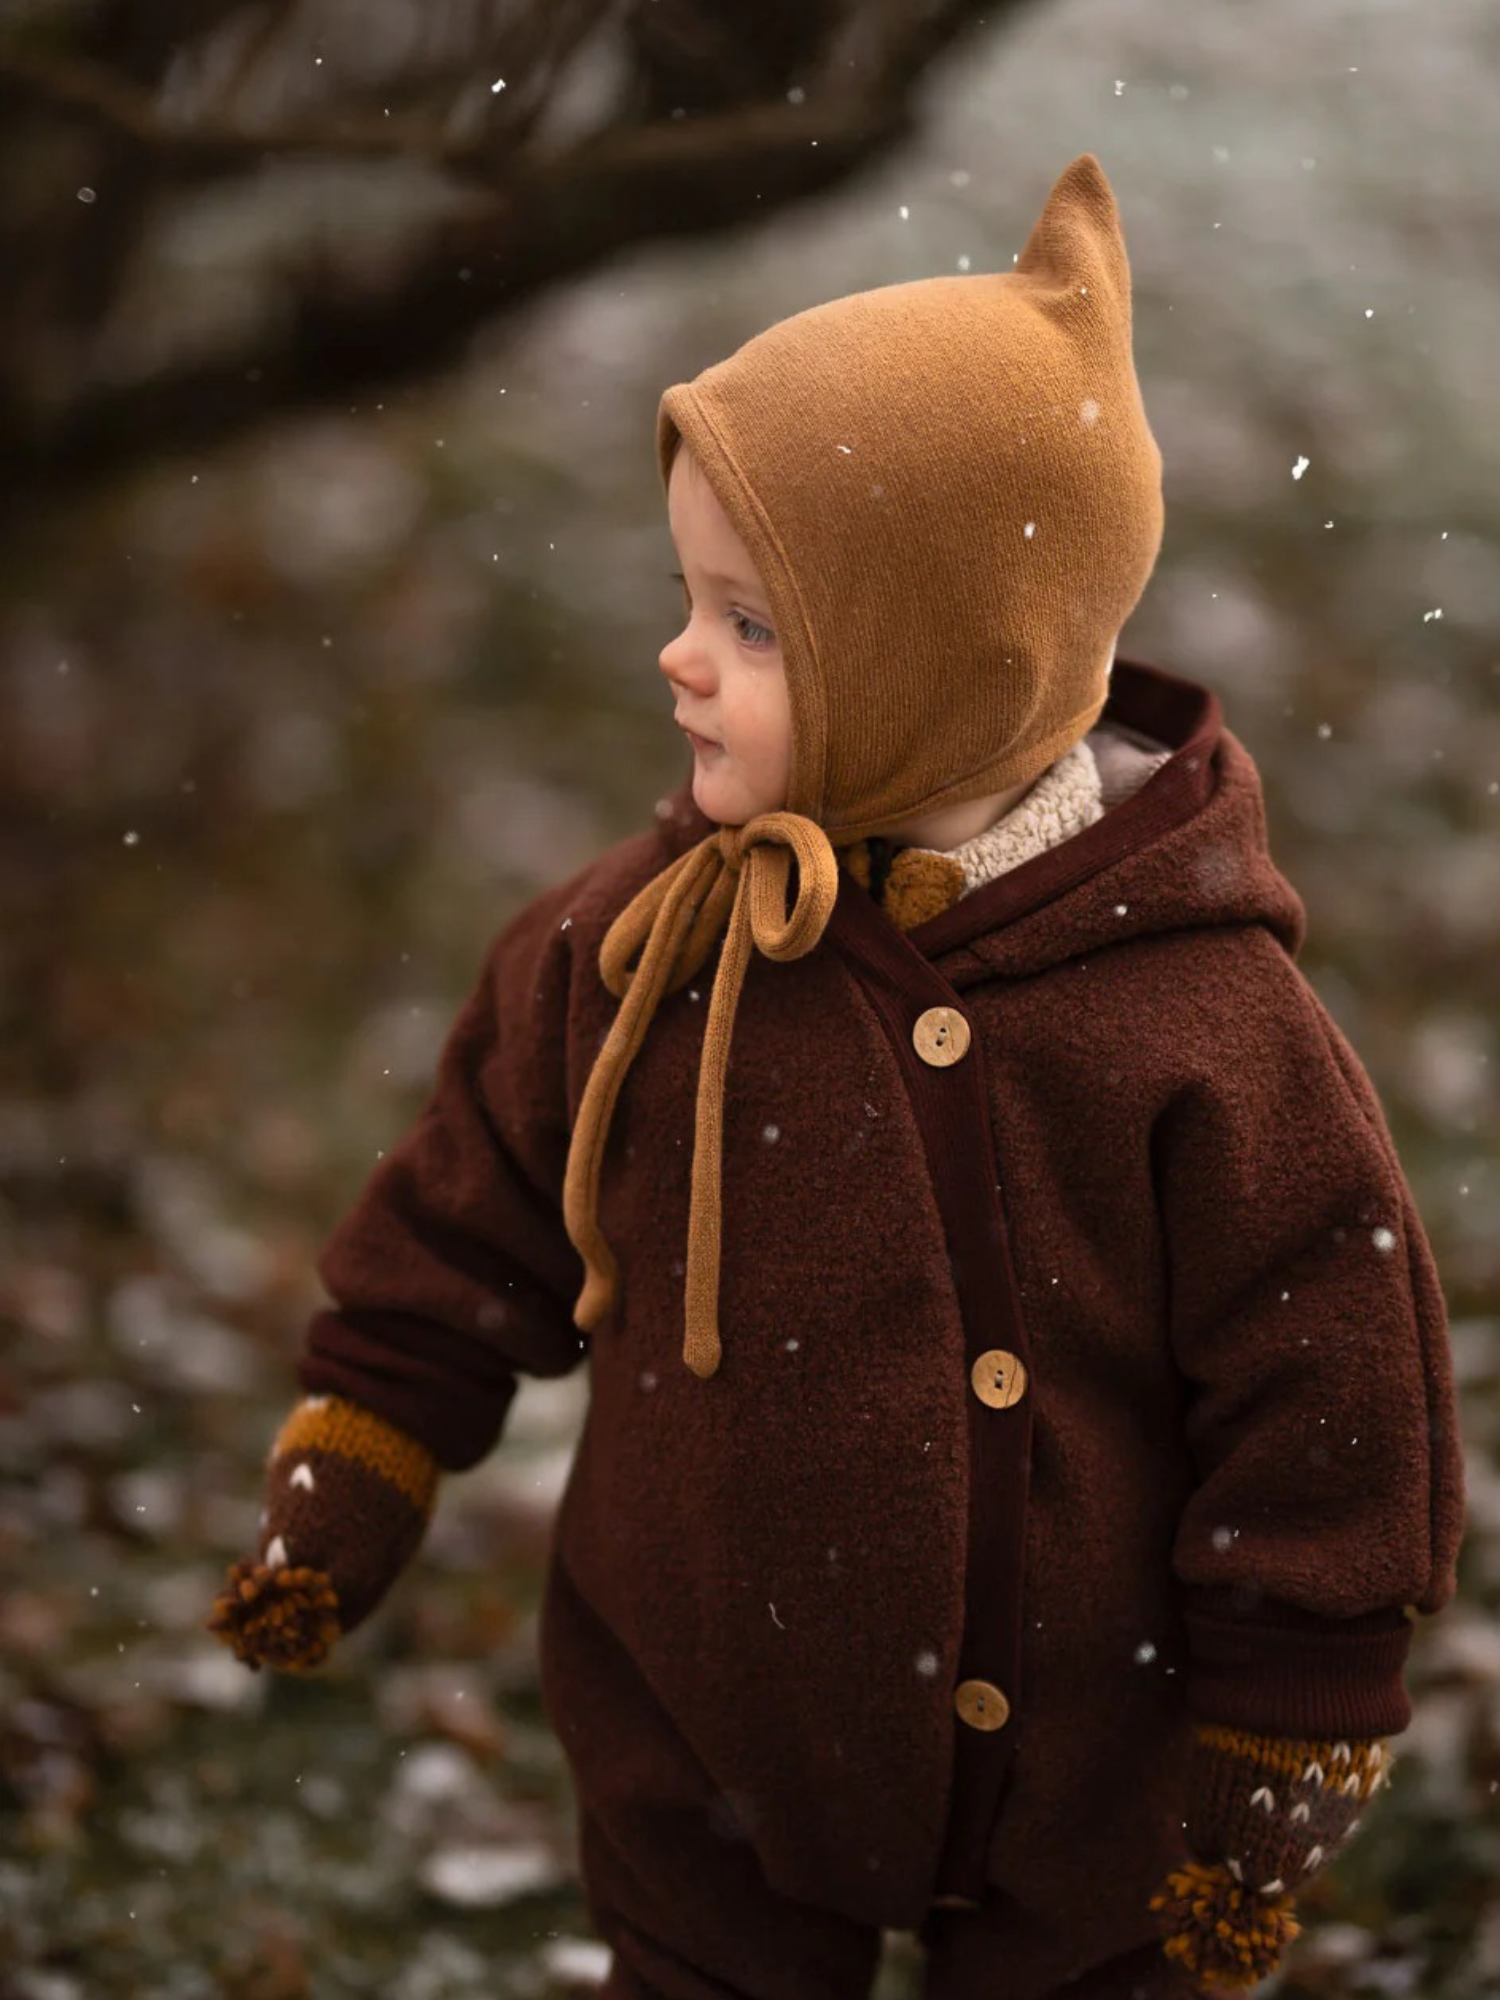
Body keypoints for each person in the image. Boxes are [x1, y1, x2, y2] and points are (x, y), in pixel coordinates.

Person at [206, 154, 1466, 2000]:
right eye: (689, 599)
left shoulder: (1201, 1026)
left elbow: (1330, 1363)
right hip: (700, 1710)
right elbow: (468, 1209)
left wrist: (1297, 1693)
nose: (680, 661)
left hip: (1084, 1751)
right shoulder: (635, 952)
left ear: (945, 664)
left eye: (751, 626)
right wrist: (367, 1447)